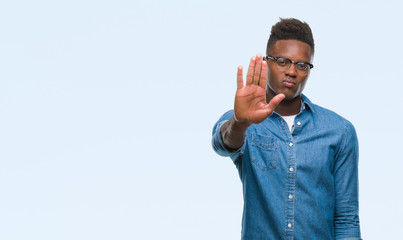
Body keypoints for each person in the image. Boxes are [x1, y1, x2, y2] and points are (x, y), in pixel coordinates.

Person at [211, 18, 361, 240]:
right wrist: (241, 122)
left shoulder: (340, 131)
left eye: (302, 65)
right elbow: (222, 143)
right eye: (282, 61)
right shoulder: (244, 123)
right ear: (266, 61)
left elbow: (346, 218)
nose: (292, 71)